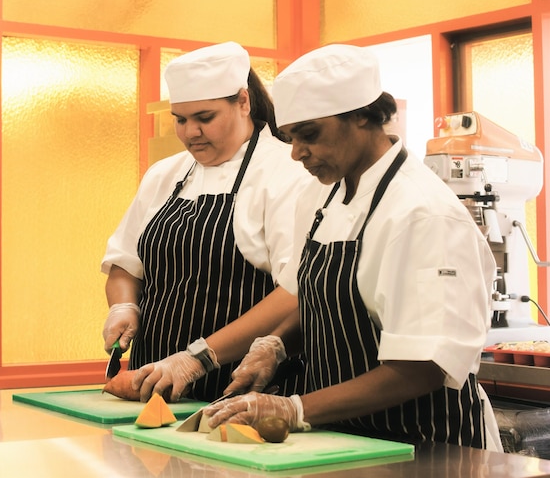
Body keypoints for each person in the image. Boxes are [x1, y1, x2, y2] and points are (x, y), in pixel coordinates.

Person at [203, 43, 503, 450]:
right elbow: (325, 303)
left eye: (309, 135)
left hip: (425, 445)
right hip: (344, 440)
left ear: (364, 115)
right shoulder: (321, 195)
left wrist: (294, 409)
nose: (296, 154)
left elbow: (424, 366)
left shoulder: (423, 213)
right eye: (290, 137)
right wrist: (276, 344)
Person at [100, 41, 310, 402]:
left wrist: (195, 359)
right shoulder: (164, 175)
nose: (190, 133)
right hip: (153, 386)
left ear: (243, 101)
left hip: (240, 391)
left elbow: (293, 295)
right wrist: (124, 306)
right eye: (180, 119)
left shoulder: (286, 174)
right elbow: (125, 264)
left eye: (205, 118)